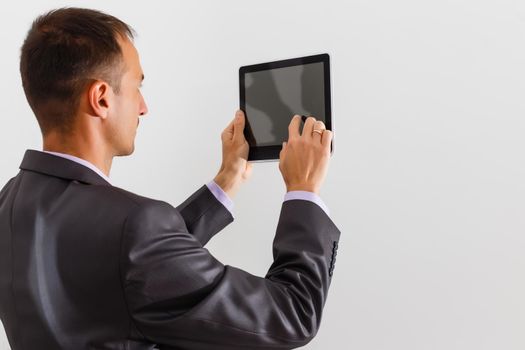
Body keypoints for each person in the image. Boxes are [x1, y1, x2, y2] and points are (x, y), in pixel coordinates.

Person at [0, 7, 340, 349]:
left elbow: (128, 264)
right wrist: (303, 190)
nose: (144, 107)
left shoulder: (10, 201)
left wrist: (226, 181)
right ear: (101, 98)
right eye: (137, 87)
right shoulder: (135, 228)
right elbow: (293, 314)